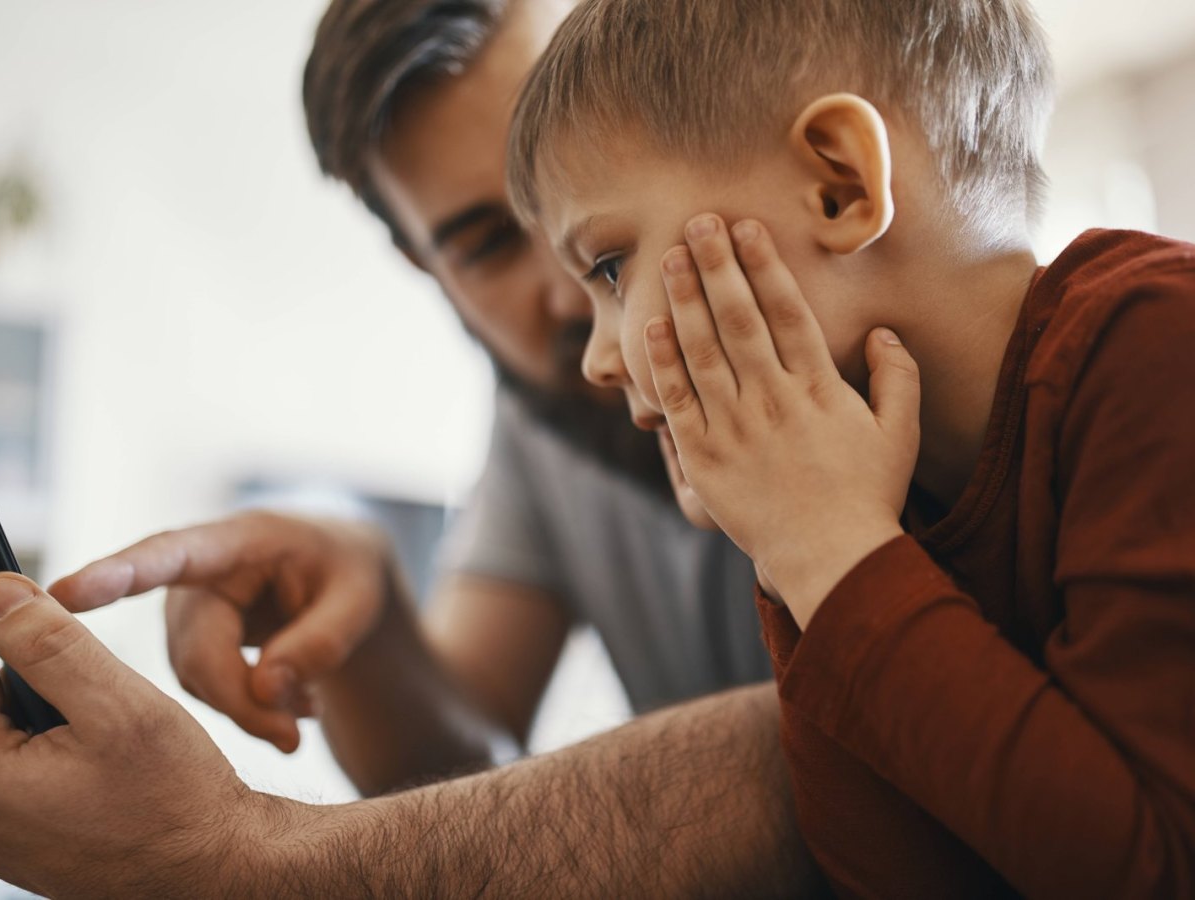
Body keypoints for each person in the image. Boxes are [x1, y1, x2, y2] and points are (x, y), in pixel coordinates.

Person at [0, 0, 828, 896]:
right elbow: (479, 783)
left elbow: (869, 747)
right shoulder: (539, 421)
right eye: (492, 243)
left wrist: (235, 856)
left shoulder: (883, 346)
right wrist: (374, 620)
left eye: (598, 206)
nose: (582, 302)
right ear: (425, 269)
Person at [506, 0, 1195, 896]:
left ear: (839, 184)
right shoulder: (872, 497)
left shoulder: (1155, 342)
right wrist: (799, 560)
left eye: (607, 266)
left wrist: (834, 553)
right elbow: (898, 879)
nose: (598, 359)